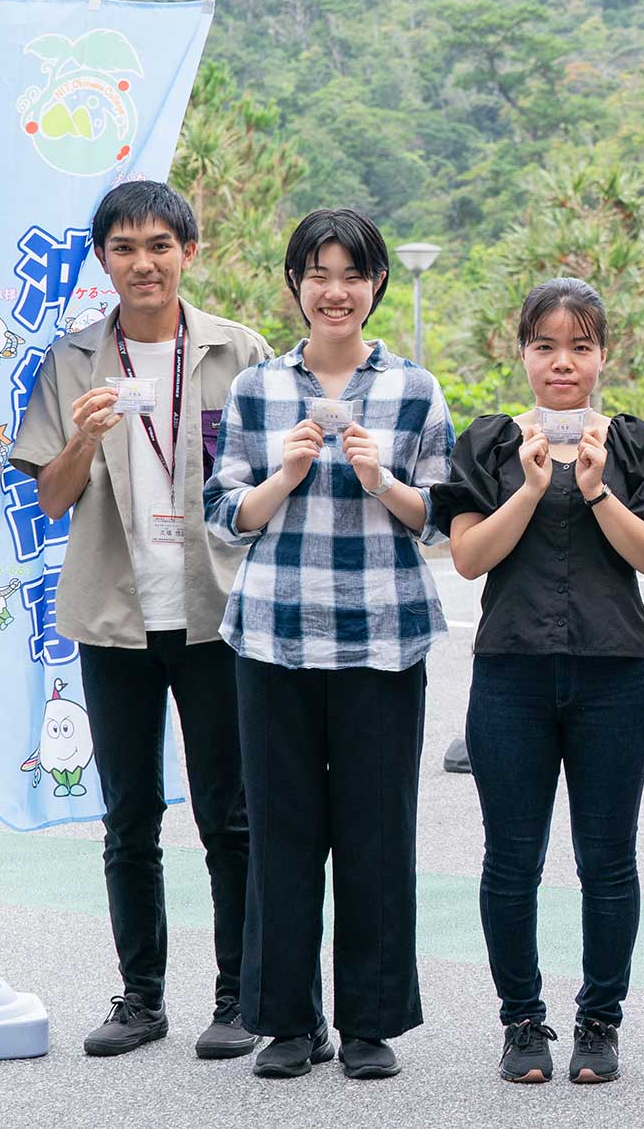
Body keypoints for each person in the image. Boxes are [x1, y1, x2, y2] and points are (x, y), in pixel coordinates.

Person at [10, 179, 270, 1062]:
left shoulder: (240, 353)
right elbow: (50, 497)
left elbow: (274, 483)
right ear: (104, 260)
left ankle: (238, 994)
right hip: (115, 615)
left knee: (229, 815)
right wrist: (82, 436)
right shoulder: (75, 359)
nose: (143, 261)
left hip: (215, 613)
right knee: (128, 816)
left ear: (187, 252)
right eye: (124, 248)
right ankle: (142, 996)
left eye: (160, 244)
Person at [204, 208, 454, 1081]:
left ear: (376, 284)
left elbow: (440, 524)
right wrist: (287, 473)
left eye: (353, 274)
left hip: (384, 635)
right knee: (280, 830)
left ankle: (370, 1021)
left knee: (377, 831)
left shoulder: (415, 389)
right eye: (318, 274)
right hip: (272, 636)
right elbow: (225, 516)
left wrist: (381, 475)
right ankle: (286, 1020)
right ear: (295, 285)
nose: (335, 290)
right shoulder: (257, 389)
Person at [432, 279, 644, 1086]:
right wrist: (535, 485)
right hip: (508, 676)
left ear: (603, 355)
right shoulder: (486, 442)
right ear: (522, 354)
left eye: (580, 345)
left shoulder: (635, 442)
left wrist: (594, 488)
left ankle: (599, 1020)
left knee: (608, 857)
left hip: (613, 676)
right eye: (545, 345)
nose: (562, 362)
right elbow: (470, 556)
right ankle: (521, 1021)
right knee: (511, 858)